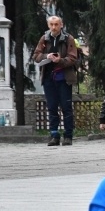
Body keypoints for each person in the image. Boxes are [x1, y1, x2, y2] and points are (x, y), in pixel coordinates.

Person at [34, 16, 79, 146]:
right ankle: (54, 135)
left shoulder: (68, 39)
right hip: (48, 78)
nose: (54, 27)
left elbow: (73, 58)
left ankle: (68, 136)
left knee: (66, 107)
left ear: (61, 25)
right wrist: (46, 56)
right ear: (48, 25)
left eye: (56, 24)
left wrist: (60, 60)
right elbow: (36, 56)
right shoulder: (44, 38)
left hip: (64, 78)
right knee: (52, 107)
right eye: (51, 24)